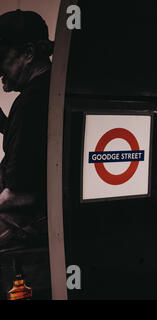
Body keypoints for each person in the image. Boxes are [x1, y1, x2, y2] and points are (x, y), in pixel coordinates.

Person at [0, 10, 53, 250]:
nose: (0, 70)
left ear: (29, 54)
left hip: (29, 227)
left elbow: (21, 195)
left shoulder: (29, 102)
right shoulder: (50, 88)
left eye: (2, 57)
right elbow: (34, 144)